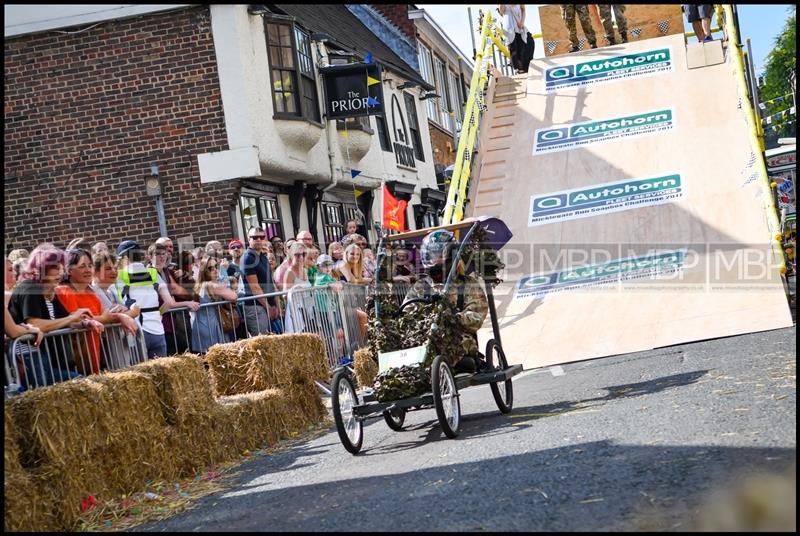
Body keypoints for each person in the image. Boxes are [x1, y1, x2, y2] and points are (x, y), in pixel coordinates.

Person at [402, 230, 490, 373]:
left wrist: (453, 318)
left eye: (438, 255)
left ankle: (455, 363)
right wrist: (419, 321)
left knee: (449, 346)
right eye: (431, 255)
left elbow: (477, 316)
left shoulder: (467, 284)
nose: (435, 260)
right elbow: (407, 312)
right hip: (425, 337)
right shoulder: (420, 286)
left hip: (457, 336)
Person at [8, 245, 90, 387]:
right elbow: (36, 324)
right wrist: (71, 318)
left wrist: (84, 322)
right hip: (28, 356)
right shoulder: (29, 287)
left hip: (43, 356)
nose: (61, 273)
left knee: (79, 382)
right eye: (56, 268)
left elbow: (64, 320)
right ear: (42, 268)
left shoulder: (49, 290)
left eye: (61, 268)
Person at [57, 248, 139, 374]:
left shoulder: (91, 293)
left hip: (95, 354)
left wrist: (120, 316)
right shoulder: (64, 291)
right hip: (75, 357)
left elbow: (107, 315)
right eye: (82, 266)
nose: (88, 270)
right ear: (69, 270)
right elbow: (74, 321)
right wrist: (122, 315)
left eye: (90, 266)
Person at [116, 240, 199, 359]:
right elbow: (169, 303)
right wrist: (158, 313)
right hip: (158, 330)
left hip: (138, 331)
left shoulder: (120, 276)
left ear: (124, 258)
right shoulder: (153, 274)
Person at [191, 257, 237, 353]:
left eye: (216, 266)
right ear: (204, 271)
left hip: (200, 325)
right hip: (210, 326)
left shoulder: (200, 284)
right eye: (211, 268)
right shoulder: (211, 285)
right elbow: (233, 296)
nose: (215, 270)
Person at [240, 227, 280, 335]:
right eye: (255, 237)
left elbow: (271, 282)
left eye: (262, 237)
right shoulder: (248, 258)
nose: (258, 239)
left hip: (267, 306)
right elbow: (255, 288)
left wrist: (276, 305)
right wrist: (268, 308)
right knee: (263, 344)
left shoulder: (263, 256)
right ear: (249, 239)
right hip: (255, 307)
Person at [499, 5, 535, 74]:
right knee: (515, 50)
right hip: (510, 28)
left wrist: (522, 22)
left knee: (529, 42)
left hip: (520, 27)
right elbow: (501, 11)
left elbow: (523, 10)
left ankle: (526, 68)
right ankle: (520, 70)